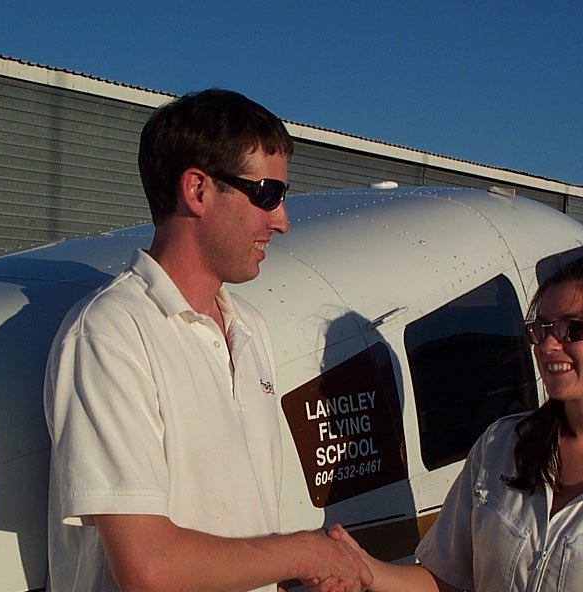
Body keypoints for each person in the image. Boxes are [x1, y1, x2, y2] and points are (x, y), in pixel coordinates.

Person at [44, 89, 371, 592]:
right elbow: (149, 569)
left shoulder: (250, 330)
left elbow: (247, 529)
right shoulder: (110, 334)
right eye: (266, 193)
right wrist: (305, 551)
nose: (281, 221)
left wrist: (295, 574)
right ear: (197, 190)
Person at [326, 251, 583, 591]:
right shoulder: (498, 446)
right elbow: (446, 579)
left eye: (573, 329)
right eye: (542, 327)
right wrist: (367, 571)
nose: (548, 344)